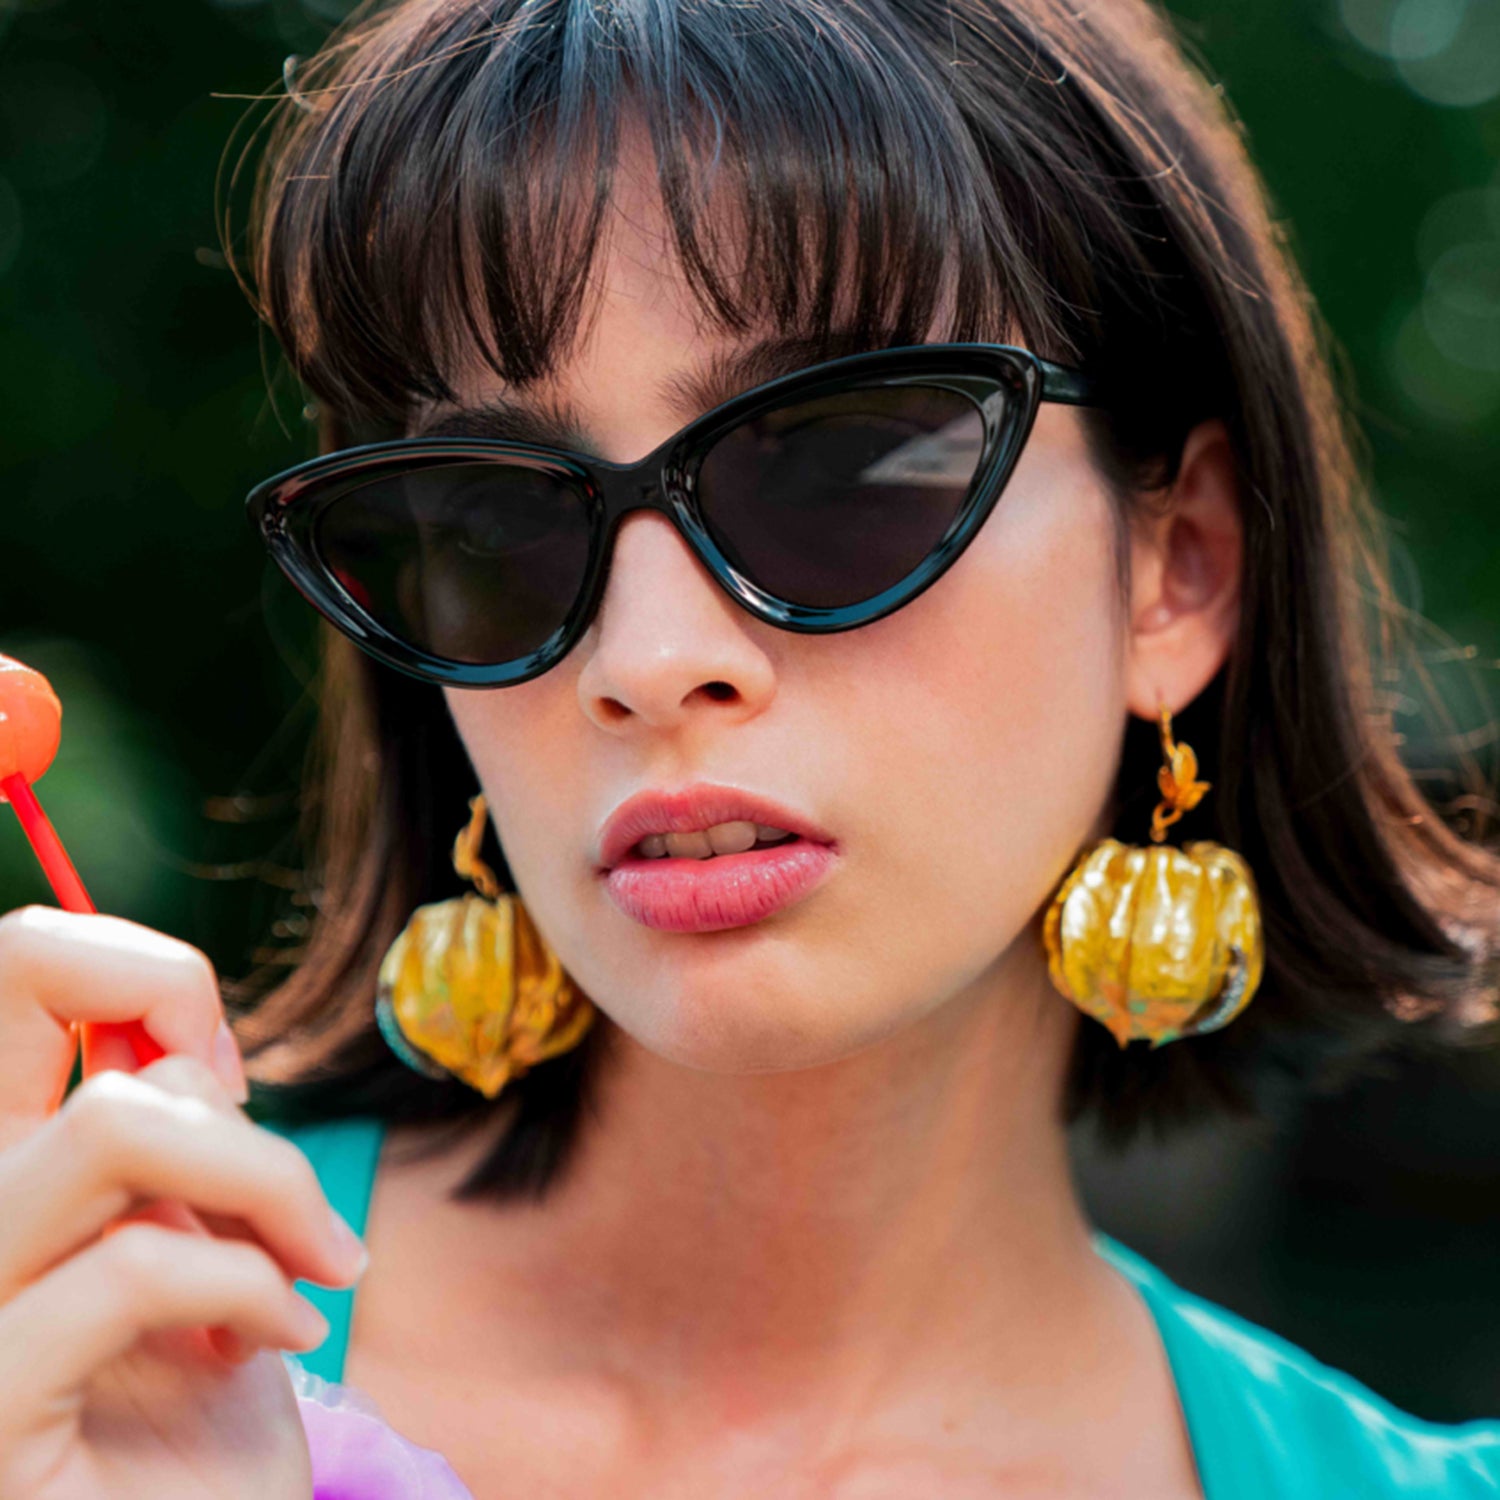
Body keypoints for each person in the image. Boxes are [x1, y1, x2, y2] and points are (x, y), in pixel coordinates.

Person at [1, 0, 1498, 1495]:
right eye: (500, 517)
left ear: (1182, 569)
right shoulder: (74, 1363)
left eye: (843, 463)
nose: (648, 663)